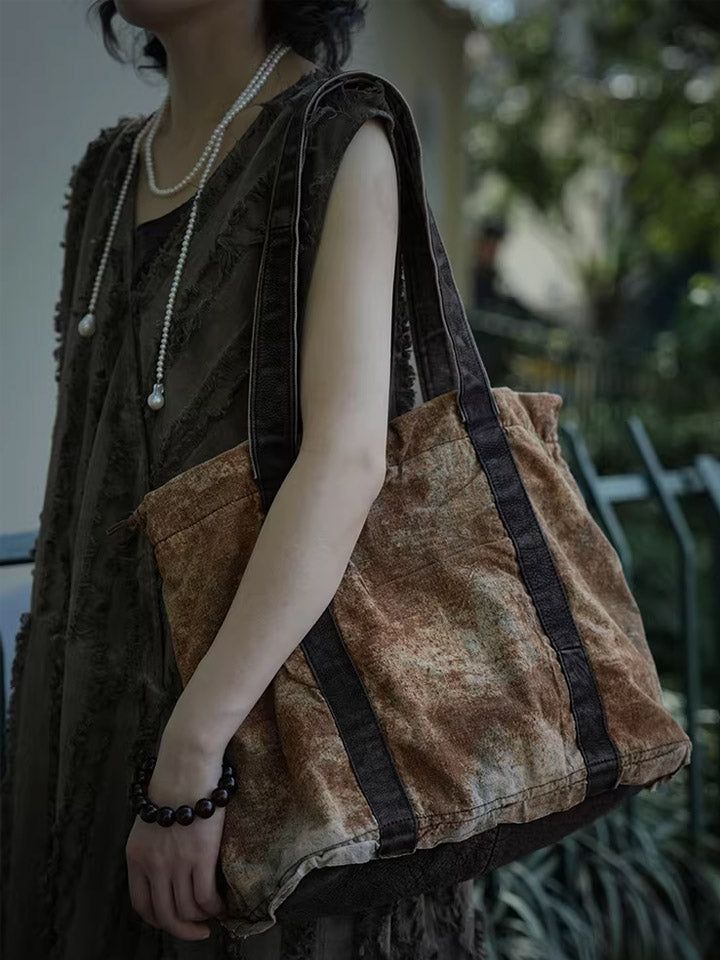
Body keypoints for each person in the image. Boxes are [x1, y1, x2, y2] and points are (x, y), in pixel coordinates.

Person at [1, 2, 490, 958]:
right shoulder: (109, 171)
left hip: (262, 739)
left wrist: (191, 758)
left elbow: (349, 457)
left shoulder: (339, 135)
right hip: (86, 722)